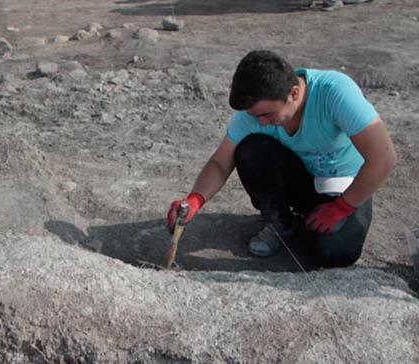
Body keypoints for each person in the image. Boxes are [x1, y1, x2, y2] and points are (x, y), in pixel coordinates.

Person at [167, 50, 396, 268]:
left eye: (268, 115)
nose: (262, 122)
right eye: (256, 116)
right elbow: (220, 162)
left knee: (334, 253)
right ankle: (280, 221)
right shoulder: (257, 112)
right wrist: (195, 199)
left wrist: (342, 207)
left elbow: (383, 158)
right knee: (251, 148)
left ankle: (316, 223)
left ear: (294, 93)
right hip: (301, 182)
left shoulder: (335, 92)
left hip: (346, 185)